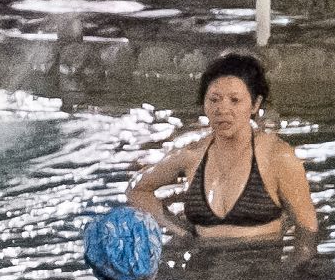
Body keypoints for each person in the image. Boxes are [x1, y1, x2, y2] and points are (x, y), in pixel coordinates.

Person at [126, 51, 320, 252]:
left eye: (234, 100)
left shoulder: (277, 157)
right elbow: (137, 189)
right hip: (202, 268)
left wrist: (293, 272)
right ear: (204, 104)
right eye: (214, 100)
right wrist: (179, 230)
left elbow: (307, 228)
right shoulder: (192, 155)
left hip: (261, 269)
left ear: (255, 104)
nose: (222, 109)